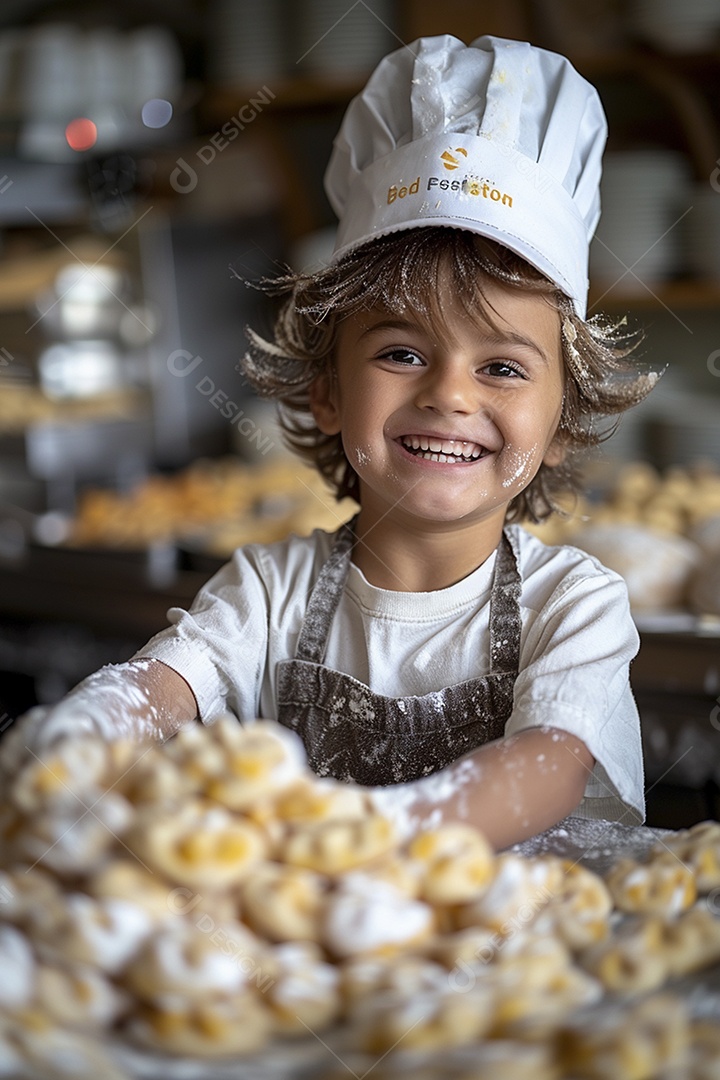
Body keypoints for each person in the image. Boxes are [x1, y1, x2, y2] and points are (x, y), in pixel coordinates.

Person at [6, 35, 658, 849]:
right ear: (328, 393)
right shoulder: (268, 594)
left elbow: (548, 765)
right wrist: (85, 734)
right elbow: (162, 688)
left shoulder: (573, 606)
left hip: (527, 957)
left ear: (560, 426)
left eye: (500, 366)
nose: (450, 394)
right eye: (401, 354)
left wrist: (372, 833)